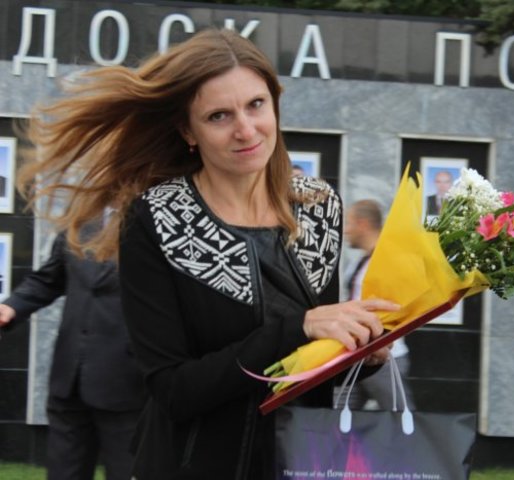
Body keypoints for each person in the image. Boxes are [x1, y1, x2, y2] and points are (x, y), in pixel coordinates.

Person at [17, 28, 398, 479]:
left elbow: (311, 367)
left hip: (296, 462)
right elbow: (173, 390)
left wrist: (360, 354)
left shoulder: (320, 206)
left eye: (256, 105)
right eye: (219, 116)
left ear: (275, 104)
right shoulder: (156, 219)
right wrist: (299, 327)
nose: (245, 129)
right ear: (188, 131)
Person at [0, 228, 145, 480]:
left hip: (128, 382)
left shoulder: (158, 222)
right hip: (69, 378)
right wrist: (11, 307)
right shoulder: (82, 220)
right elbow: (50, 278)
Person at [342, 199, 414, 410]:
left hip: (383, 357)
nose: (346, 231)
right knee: (336, 416)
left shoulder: (388, 260)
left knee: (401, 418)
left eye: (349, 223)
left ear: (362, 224)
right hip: (355, 355)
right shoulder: (362, 260)